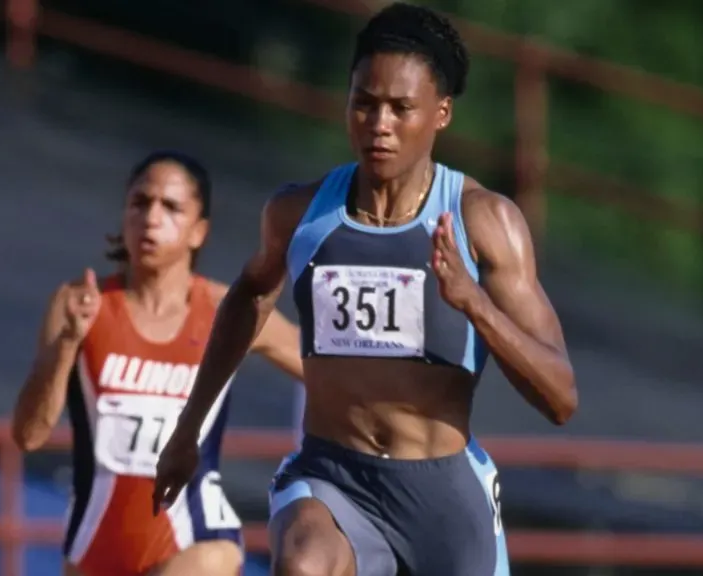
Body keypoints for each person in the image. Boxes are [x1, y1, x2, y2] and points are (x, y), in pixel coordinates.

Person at [154, 3, 577, 574]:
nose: (379, 124)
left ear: (441, 114)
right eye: (364, 104)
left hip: (442, 492)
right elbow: (249, 297)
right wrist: (188, 432)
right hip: (332, 478)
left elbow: (560, 397)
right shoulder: (298, 215)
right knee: (302, 566)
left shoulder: (484, 223)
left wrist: (474, 302)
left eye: (401, 109)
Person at [11, 151, 304, 576]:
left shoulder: (230, 310)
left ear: (199, 231)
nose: (151, 218)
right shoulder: (79, 306)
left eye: (170, 207)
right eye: (139, 203)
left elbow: (326, 370)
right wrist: (68, 342)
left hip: (197, 542)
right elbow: (29, 435)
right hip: (94, 548)